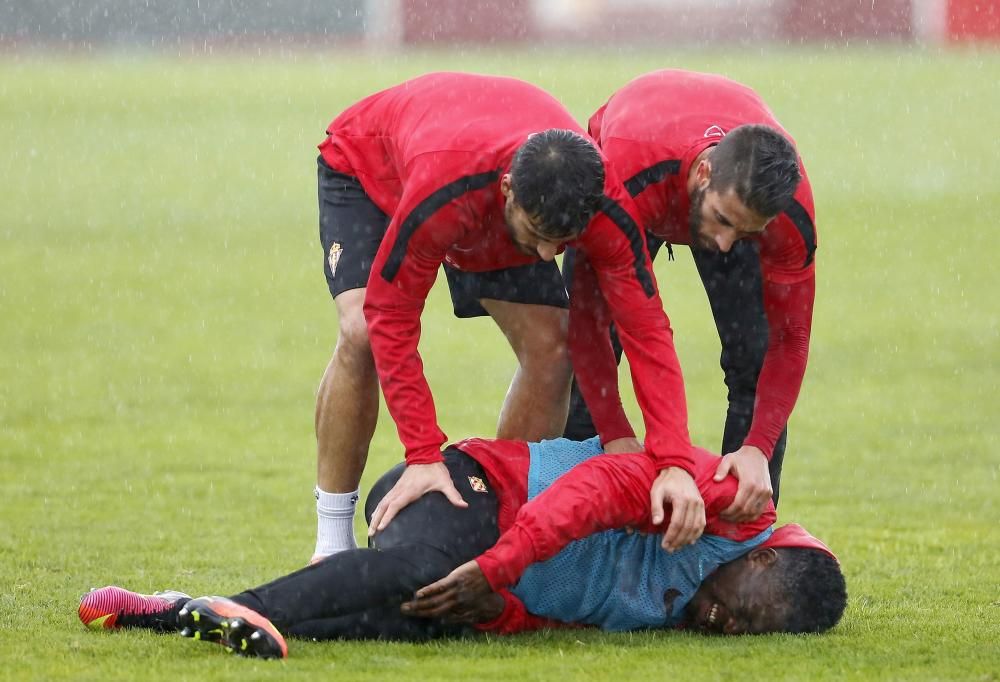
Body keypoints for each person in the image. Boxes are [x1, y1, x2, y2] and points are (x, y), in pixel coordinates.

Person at [309, 72, 701, 563]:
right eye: (538, 234)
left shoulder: (601, 207)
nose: (544, 255)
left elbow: (646, 330)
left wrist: (673, 460)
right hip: (372, 174)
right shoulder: (443, 190)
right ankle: (332, 540)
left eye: (560, 243)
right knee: (363, 331)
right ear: (510, 189)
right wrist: (424, 454)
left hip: (485, 202)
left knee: (553, 351)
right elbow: (392, 316)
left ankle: (501, 528)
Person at [79, 437, 847, 658]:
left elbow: (565, 620)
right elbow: (596, 490)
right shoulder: (733, 508)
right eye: (749, 612)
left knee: (392, 621)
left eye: (752, 637)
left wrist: (495, 608)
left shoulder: (679, 619)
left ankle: (165, 610)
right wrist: (496, 567)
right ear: (766, 558)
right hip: (470, 489)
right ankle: (240, 608)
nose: (729, 629)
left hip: (490, 576)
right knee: (419, 570)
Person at [564, 70, 818, 520]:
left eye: (747, 231)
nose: (725, 244)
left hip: (692, 182)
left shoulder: (787, 211)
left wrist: (758, 447)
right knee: (590, 358)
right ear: (704, 173)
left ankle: (739, 541)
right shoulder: (626, 175)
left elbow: (790, 340)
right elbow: (590, 324)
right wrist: (616, 434)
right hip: (638, 178)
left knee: (753, 361)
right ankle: (574, 522)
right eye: (724, 220)